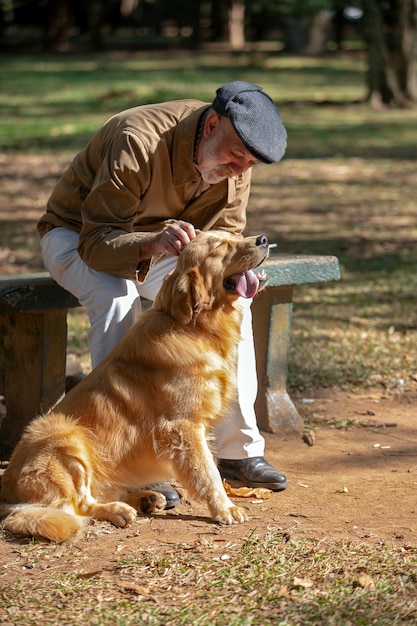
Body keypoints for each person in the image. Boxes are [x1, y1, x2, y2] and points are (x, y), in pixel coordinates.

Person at [37, 80, 288, 509]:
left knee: (235, 302)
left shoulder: (236, 164)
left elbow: (225, 239)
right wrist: (150, 243)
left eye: (249, 164)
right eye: (235, 157)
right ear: (211, 124)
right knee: (116, 296)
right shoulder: (138, 139)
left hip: (169, 246)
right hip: (79, 237)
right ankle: (129, 458)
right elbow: (95, 241)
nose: (240, 171)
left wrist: (231, 277)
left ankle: (238, 451)